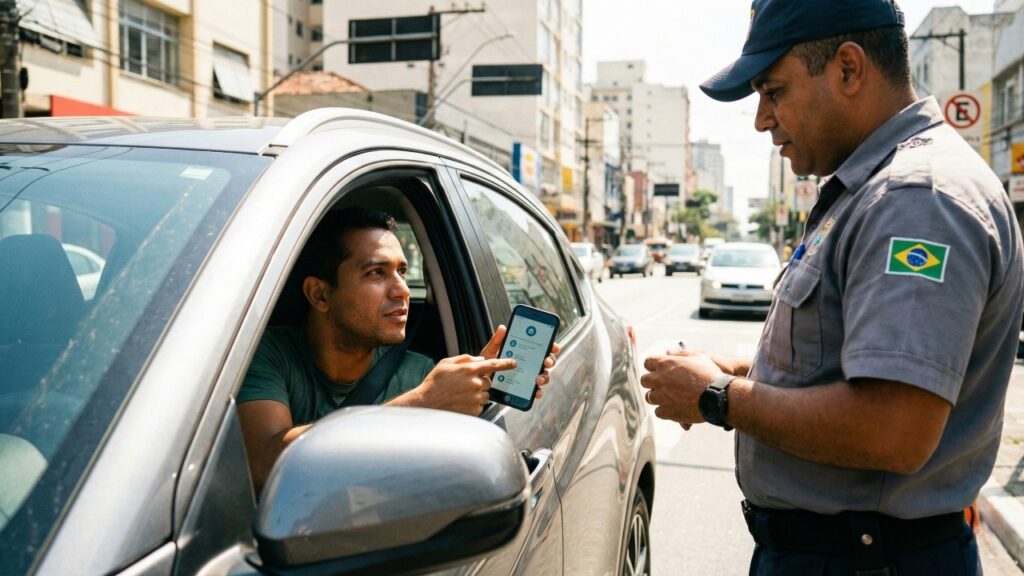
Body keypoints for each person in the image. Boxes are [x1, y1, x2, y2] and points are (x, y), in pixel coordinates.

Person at [641, 0, 1024, 574]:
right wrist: (735, 369)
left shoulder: (915, 199)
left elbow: (893, 428)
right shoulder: (874, 189)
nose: (761, 120)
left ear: (848, 68)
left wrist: (716, 396)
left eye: (774, 91)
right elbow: (844, 366)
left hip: (867, 560)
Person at [238, 207, 559, 491]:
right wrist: (422, 403)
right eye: (376, 273)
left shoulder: (422, 374)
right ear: (319, 294)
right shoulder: (266, 354)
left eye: (402, 272)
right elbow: (263, 468)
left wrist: (479, 383)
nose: (402, 290)